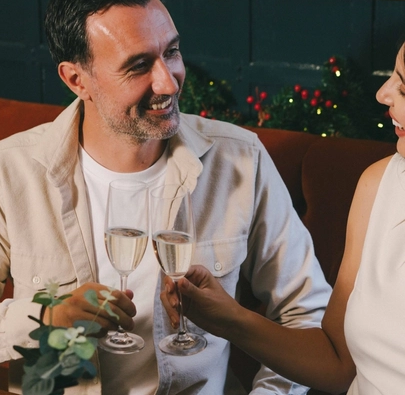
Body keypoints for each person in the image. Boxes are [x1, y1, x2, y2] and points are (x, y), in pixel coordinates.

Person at [0, 0, 332, 395]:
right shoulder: (6, 172)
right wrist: (46, 321)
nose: (167, 80)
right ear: (76, 79)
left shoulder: (241, 160)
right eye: (138, 66)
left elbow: (308, 313)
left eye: (171, 52)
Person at [161, 42, 405, 394]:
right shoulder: (379, 184)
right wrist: (228, 317)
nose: (384, 94)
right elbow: (336, 365)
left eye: (403, 85)